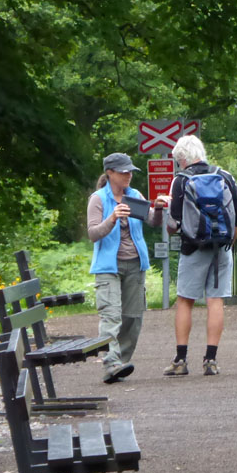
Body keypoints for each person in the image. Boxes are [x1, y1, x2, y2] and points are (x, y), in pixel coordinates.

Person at [163, 135, 237, 377]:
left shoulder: (180, 181)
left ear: (181, 159)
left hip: (193, 248)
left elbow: (173, 224)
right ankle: (210, 360)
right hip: (221, 249)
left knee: (185, 301)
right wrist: (228, 242)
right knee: (215, 301)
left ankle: (180, 360)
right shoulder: (225, 176)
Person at [87, 152, 169, 384]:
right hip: (108, 267)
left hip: (135, 264)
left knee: (133, 319)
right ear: (110, 173)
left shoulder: (134, 196)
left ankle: (119, 362)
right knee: (111, 316)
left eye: (130, 171)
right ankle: (111, 363)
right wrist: (112, 218)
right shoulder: (98, 199)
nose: (128, 175)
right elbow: (93, 234)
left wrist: (159, 208)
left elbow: (152, 220)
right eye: (123, 171)